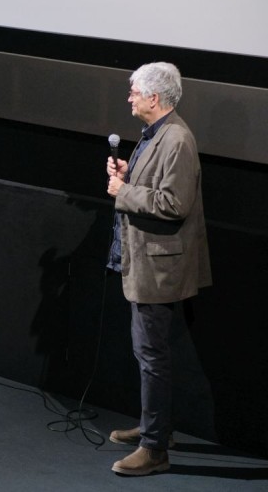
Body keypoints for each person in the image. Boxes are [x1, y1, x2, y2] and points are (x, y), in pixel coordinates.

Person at [105, 62, 211, 476]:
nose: (129, 97)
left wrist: (124, 191)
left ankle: (155, 448)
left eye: (133, 91)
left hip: (160, 268)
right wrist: (131, 176)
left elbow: (173, 204)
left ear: (154, 97)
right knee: (148, 353)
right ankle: (156, 429)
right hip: (147, 262)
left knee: (152, 356)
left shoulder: (178, 139)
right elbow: (159, 187)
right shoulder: (157, 135)